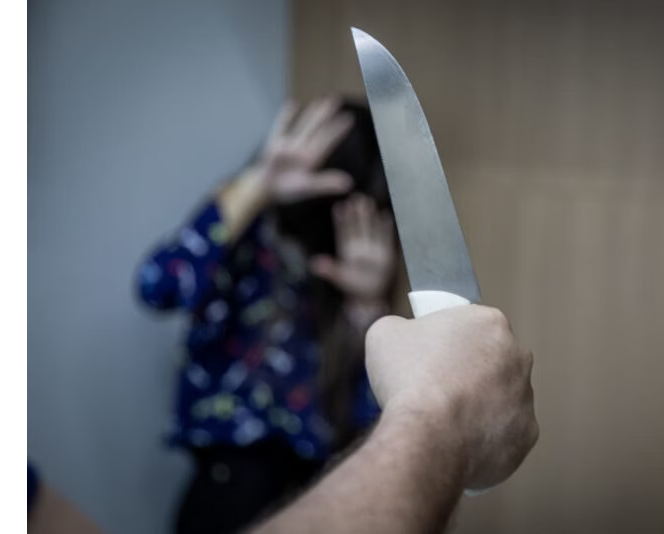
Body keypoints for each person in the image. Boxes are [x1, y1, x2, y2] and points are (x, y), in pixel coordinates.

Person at [27, 305, 539, 534]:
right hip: (225, 484)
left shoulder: (354, 299)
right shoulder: (245, 257)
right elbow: (158, 284)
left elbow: (368, 423)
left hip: (320, 482)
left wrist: (364, 310)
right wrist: (440, 415)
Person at [136, 97, 399, 533]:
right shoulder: (244, 247)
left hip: (320, 497)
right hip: (227, 493)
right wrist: (257, 184)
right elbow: (158, 286)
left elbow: (378, 436)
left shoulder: (345, 288)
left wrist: (369, 308)